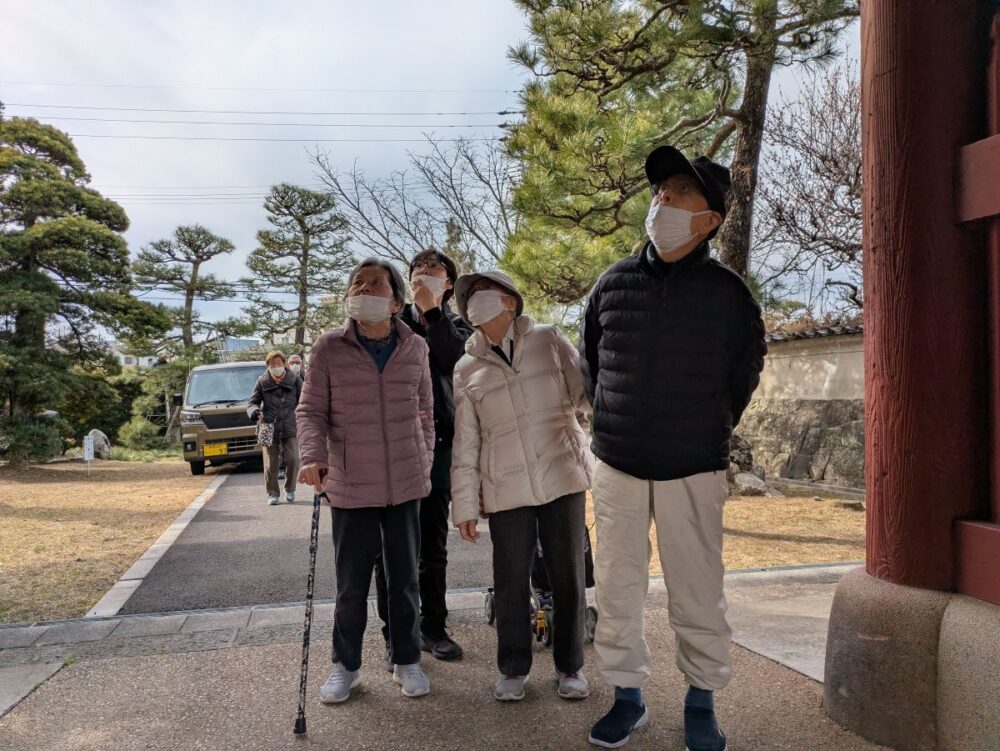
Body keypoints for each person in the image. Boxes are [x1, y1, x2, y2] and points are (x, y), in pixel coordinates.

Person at [579, 145, 766, 751]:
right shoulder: (611, 283)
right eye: (660, 190)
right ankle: (627, 698)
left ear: (710, 218)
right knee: (617, 584)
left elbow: (745, 371)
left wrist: (709, 424)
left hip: (694, 465)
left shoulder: (729, 294)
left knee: (697, 587)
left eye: (680, 190)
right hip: (619, 461)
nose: (662, 200)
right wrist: (613, 422)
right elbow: (593, 363)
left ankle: (701, 701)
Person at [296, 258, 435, 704]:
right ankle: (346, 666)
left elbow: (427, 412)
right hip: (351, 484)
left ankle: (406, 658)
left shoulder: (416, 346)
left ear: (395, 300)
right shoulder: (328, 347)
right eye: (358, 282)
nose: (365, 289)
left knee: (405, 580)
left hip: (405, 483)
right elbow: (310, 411)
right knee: (351, 582)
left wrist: (424, 458)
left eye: (376, 283)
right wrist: (313, 456)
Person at [451, 270, 593, 703]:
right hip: (505, 485)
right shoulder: (466, 367)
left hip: (563, 475)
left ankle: (570, 665)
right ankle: (513, 667)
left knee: (568, 573)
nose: (475, 300)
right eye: (469, 296)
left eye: (484, 293)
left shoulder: (549, 339)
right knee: (510, 578)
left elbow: (585, 394)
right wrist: (464, 507)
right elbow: (466, 441)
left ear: (511, 301)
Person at [373, 248, 473, 663]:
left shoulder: (456, 325)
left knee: (432, 543)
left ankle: (433, 626)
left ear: (449, 283)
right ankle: (396, 632)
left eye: (435, 270)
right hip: (391, 445)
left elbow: (456, 361)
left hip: (440, 445)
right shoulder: (387, 326)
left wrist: (433, 315)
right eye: (418, 269)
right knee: (391, 546)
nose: (424, 274)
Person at [247, 351, 301, 506]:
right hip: (269, 426)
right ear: (268, 366)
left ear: (284, 364)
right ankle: (272, 493)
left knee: (293, 459)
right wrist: (255, 412)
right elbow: (252, 403)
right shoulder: (262, 381)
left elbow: (304, 400)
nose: (276, 367)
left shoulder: (295, 379)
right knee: (271, 462)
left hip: (290, 425)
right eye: (272, 365)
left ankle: (290, 489)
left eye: (279, 364)